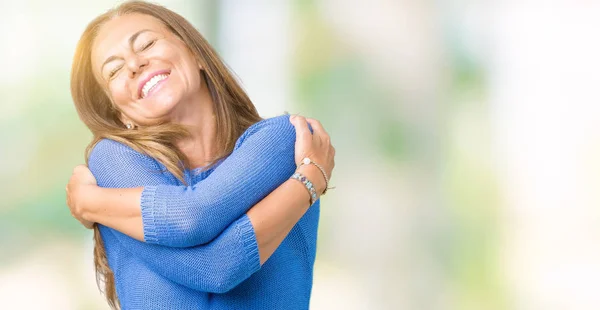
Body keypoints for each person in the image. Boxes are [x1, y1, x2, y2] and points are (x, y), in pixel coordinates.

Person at [64, 1, 335, 309]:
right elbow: (209, 254)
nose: (134, 64)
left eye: (147, 44)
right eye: (113, 70)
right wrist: (307, 181)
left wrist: (89, 203)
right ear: (120, 112)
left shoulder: (285, 140)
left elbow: (211, 251)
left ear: (196, 53)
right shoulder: (112, 162)